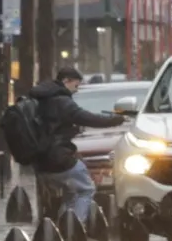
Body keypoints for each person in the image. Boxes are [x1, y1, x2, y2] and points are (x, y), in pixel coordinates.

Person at [32, 66, 125, 222]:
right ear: (66, 81)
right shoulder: (62, 101)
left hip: (42, 160)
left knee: (72, 193)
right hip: (60, 158)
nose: (76, 90)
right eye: (76, 85)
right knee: (86, 189)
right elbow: (86, 117)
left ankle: (63, 228)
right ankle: (75, 228)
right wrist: (116, 120)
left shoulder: (44, 100)